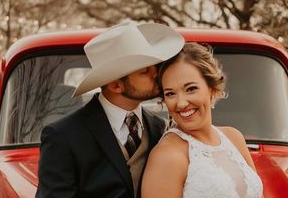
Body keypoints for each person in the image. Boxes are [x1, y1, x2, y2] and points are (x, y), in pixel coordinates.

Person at [36, 21, 184, 198]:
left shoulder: (160, 128)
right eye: (144, 71)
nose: (156, 74)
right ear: (116, 85)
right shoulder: (63, 136)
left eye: (155, 67)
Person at [142, 43, 263, 198]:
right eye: (171, 93)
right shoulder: (168, 156)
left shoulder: (234, 137)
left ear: (212, 89)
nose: (181, 103)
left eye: (191, 89)